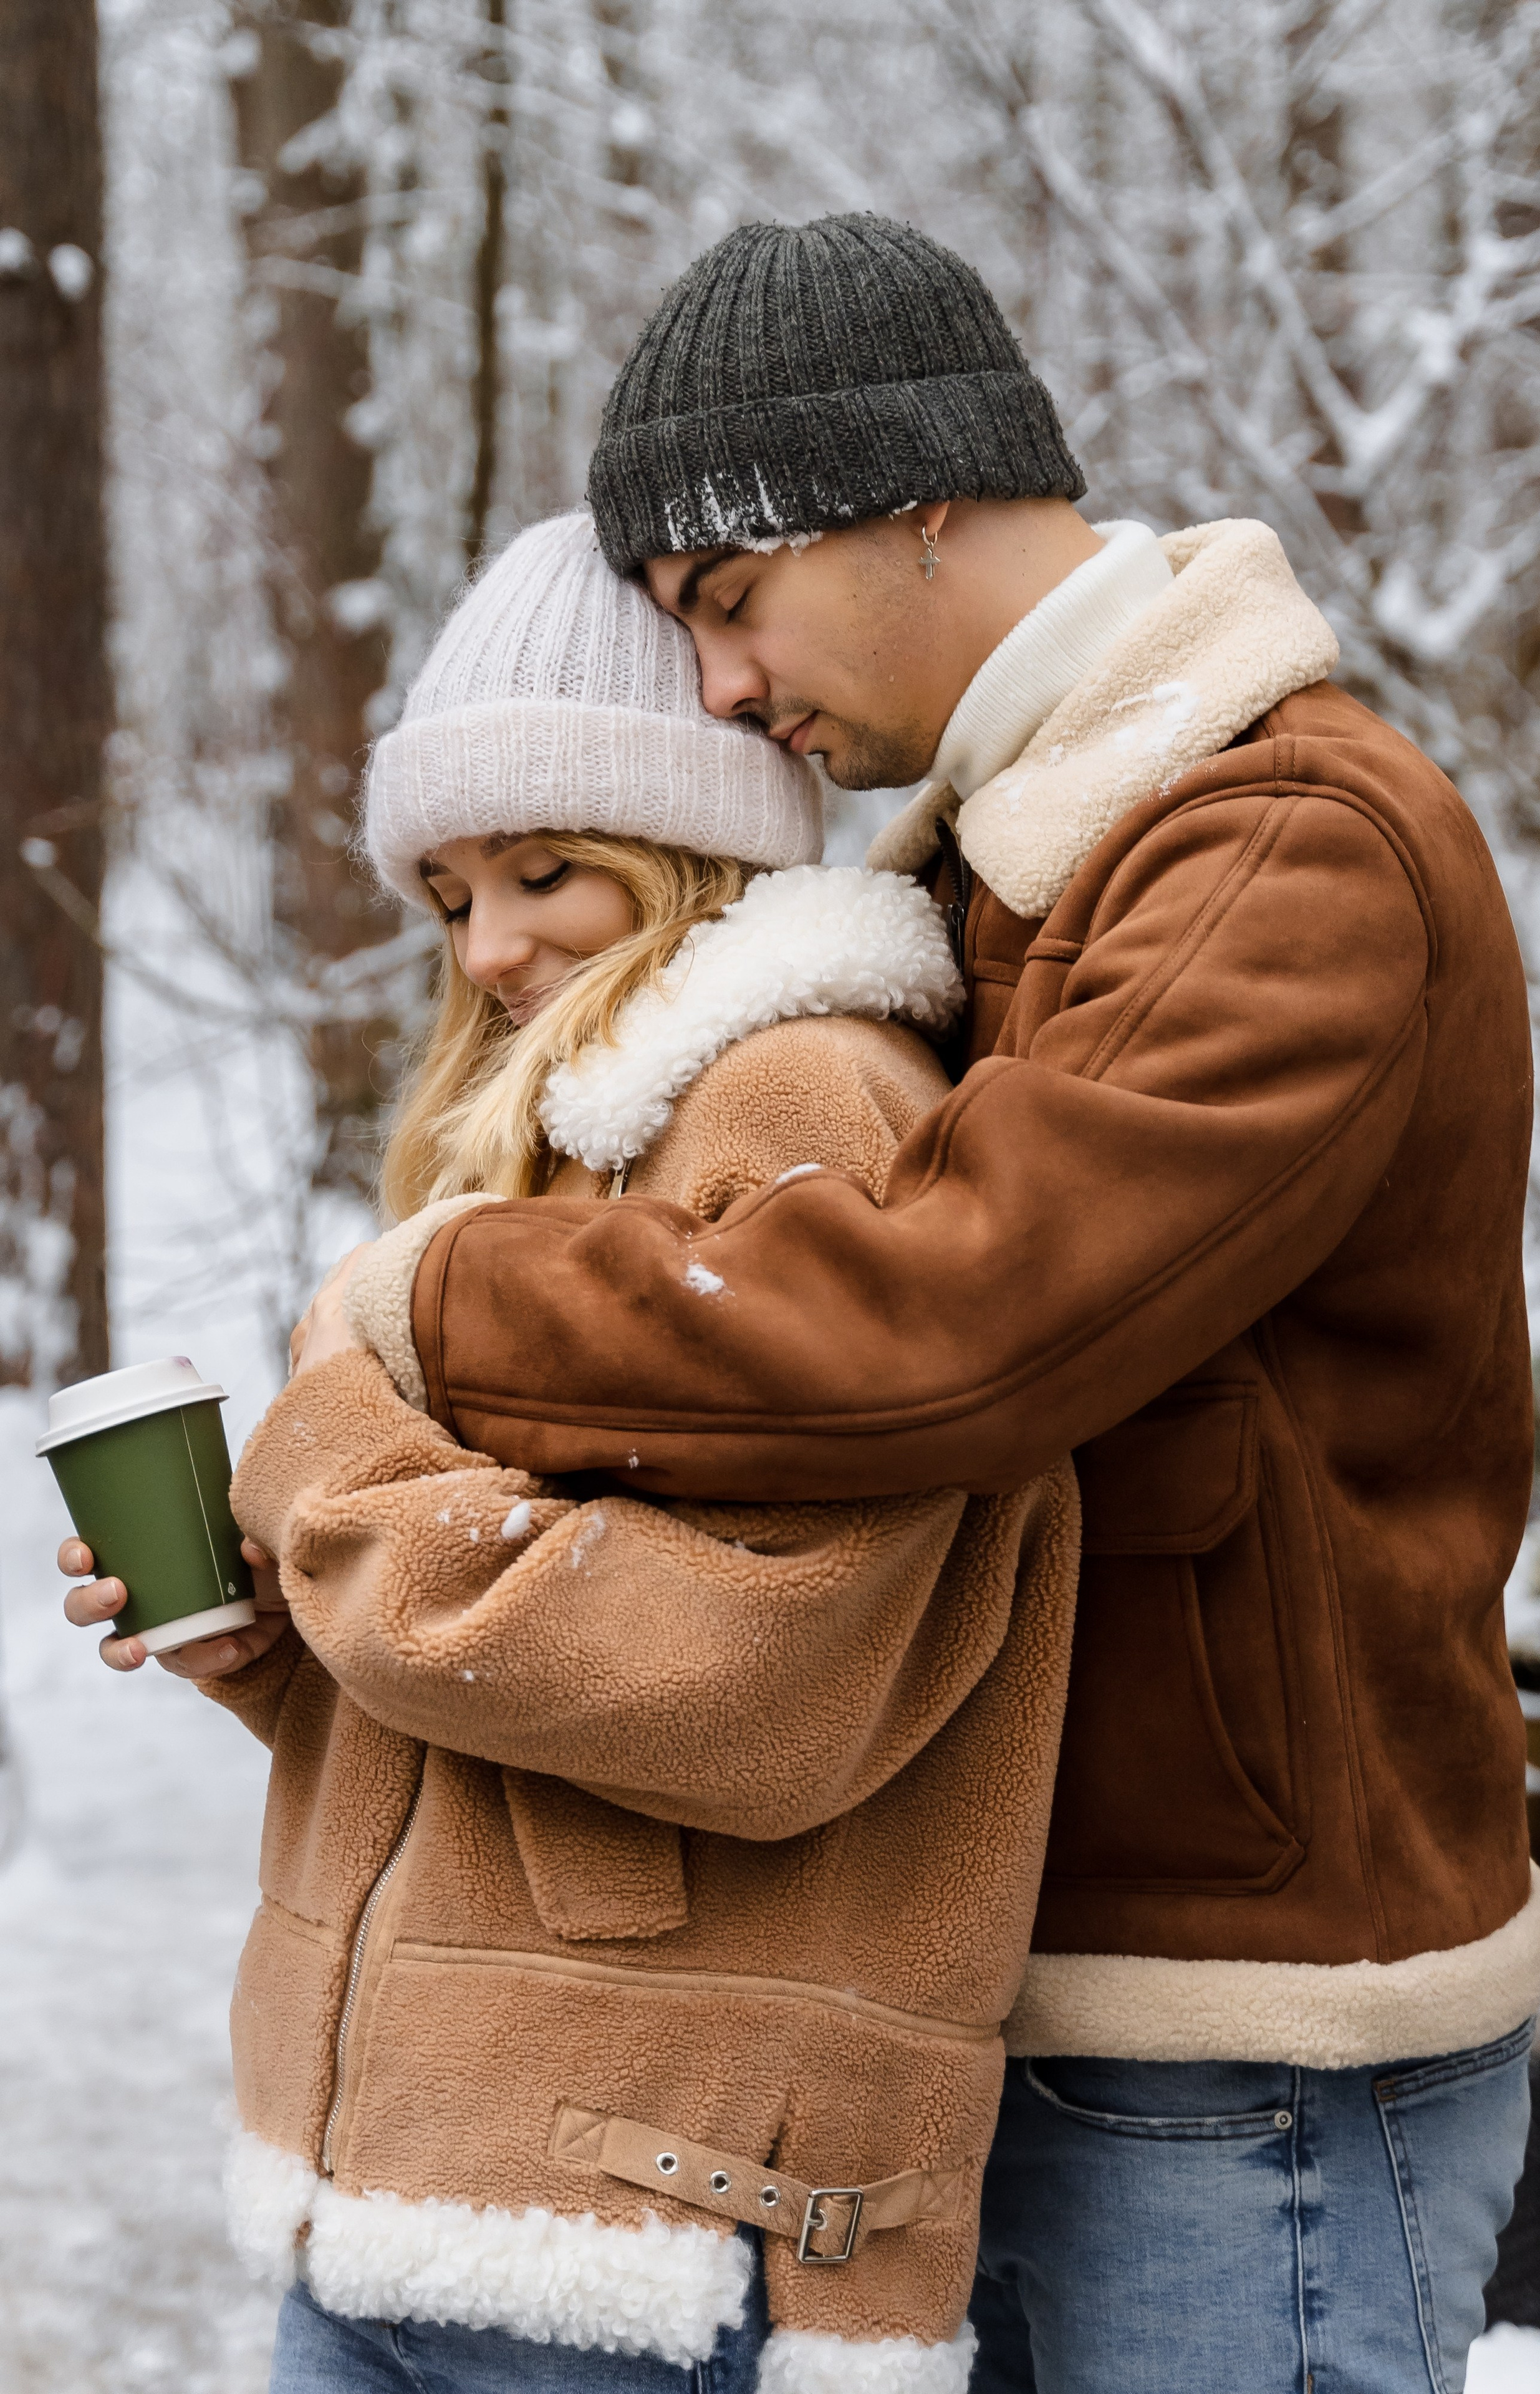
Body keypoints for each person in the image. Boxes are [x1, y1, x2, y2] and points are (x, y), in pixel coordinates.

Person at [345, 217, 1540, 2394]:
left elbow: (948, 1326)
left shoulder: (1281, 844)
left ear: (914, 503)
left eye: (729, 604)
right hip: (1040, 1996)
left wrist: (444, 1309)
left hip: (1253, 2036)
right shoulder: (1020, 864)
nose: (719, 690)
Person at [60, 511, 1079, 2394]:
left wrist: (334, 1442)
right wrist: (269, 1655)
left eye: (548, 872)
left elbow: (757, 1687)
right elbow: (517, 1710)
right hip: (421, 2184)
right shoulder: (548, 1157)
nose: (493, 946)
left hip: (642, 2227)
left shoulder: (802, 1105)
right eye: (450, 896)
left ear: (695, 851)